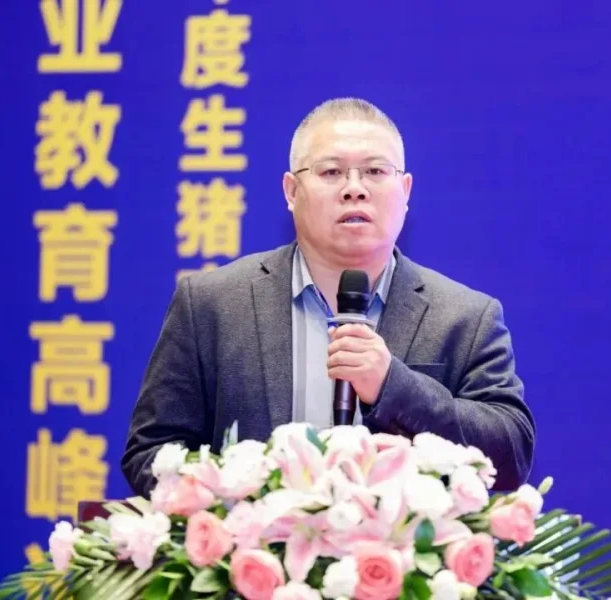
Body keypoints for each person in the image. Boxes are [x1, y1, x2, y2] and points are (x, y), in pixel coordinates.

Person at [121, 98, 535, 497]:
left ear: (405, 190)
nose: (354, 189)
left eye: (375, 171)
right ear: (291, 191)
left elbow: (511, 455)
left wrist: (394, 386)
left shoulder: (465, 317)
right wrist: (244, 506)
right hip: (255, 545)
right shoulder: (212, 304)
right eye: (332, 172)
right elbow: (151, 451)